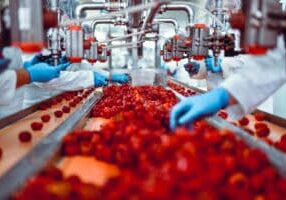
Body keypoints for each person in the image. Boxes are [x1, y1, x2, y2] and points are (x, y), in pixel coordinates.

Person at [170, 33, 286, 130]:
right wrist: (199, 68)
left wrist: (223, 65)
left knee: (254, 131)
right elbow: (213, 67)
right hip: (220, 100)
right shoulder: (219, 31)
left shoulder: (252, 29)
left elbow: (261, 63)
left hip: (249, 100)